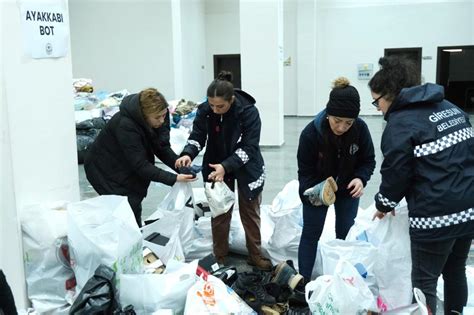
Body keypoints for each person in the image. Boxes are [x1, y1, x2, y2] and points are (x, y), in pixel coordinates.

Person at [370, 56, 474, 314]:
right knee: (454, 271)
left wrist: (384, 203)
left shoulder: (400, 125)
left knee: (424, 283)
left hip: (435, 216)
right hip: (469, 208)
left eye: (377, 101)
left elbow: (396, 173)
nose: (377, 108)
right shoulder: (450, 108)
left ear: (391, 94)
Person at [175, 71, 272, 270]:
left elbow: (250, 147)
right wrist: (188, 153)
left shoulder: (248, 111)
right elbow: (197, 136)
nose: (216, 110)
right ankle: (219, 256)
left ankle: (255, 254)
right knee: (220, 212)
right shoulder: (205, 111)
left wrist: (226, 166)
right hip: (215, 163)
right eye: (212, 105)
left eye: (221, 106)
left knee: (250, 211)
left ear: (232, 100)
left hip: (246, 165)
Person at [297, 77, 376, 281]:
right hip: (318, 190)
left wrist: (360, 178)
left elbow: (368, 160)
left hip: (348, 190)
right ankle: (303, 281)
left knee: (345, 236)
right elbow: (304, 175)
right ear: (328, 114)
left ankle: (343, 281)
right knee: (311, 234)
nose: (341, 127)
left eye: (348, 123)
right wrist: (315, 192)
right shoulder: (310, 134)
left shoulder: (360, 129)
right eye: (337, 121)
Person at [84, 88, 195, 227]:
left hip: (128, 165)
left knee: (134, 203)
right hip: (105, 169)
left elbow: (162, 147)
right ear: (143, 116)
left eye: (164, 115)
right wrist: (174, 179)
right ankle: (129, 238)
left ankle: (135, 235)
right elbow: (140, 165)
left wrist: (179, 166)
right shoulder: (125, 125)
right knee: (126, 209)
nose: (162, 120)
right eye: (157, 117)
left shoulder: (160, 115)